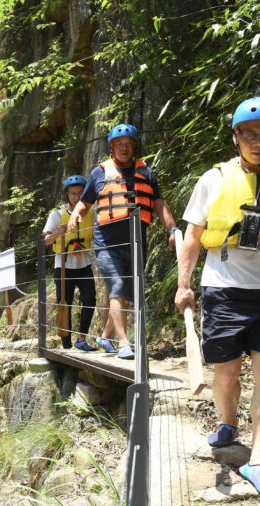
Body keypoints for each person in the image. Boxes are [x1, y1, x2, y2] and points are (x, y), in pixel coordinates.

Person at [175, 96, 260, 499]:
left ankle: (257, 460)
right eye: (250, 134)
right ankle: (227, 423)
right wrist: (184, 284)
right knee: (227, 371)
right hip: (223, 288)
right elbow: (193, 236)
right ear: (236, 137)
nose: (259, 142)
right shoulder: (214, 178)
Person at [67, 123, 178, 359]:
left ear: (135, 146)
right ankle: (125, 343)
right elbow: (85, 202)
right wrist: (76, 213)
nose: (124, 148)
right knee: (117, 289)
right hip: (108, 243)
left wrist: (172, 229)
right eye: (119, 145)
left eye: (128, 144)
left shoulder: (146, 173)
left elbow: (159, 204)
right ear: (112, 148)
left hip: (137, 242)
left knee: (126, 295)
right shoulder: (99, 173)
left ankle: (104, 337)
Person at [43, 175, 97, 351]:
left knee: (89, 299)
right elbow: (45, 241)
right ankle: (66, 343)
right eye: (73, 193)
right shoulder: (57, 214)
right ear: (67, 194)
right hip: (64, 265)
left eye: (81, 193)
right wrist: (57, 234)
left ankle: (81, 339)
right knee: (64, 302)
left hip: (85, 264)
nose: (77, 197)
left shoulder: (91, 214)